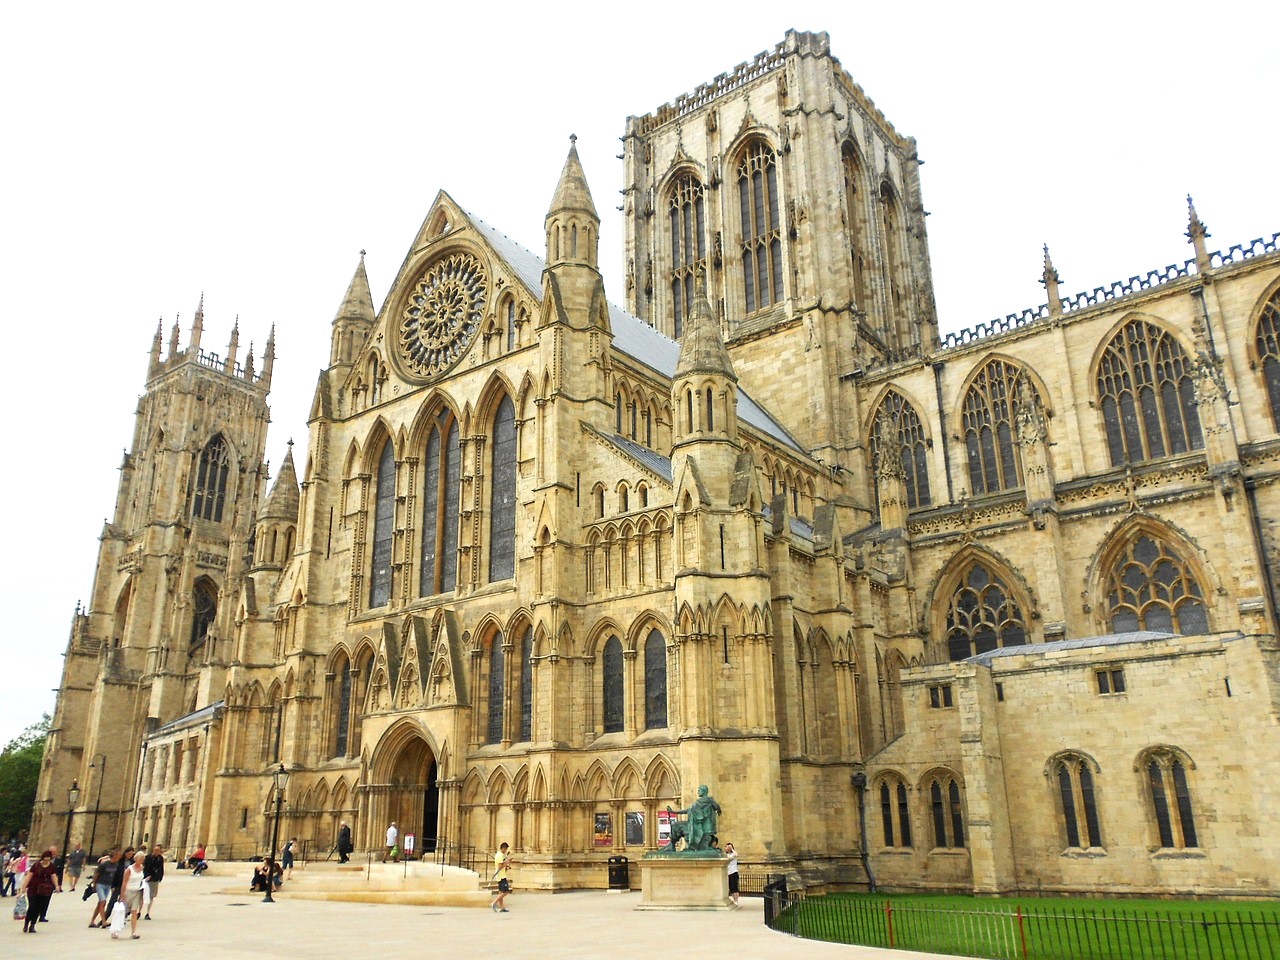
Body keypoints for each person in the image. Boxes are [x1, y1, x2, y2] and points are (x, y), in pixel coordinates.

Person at [667, 785, 722, 851]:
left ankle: (672, 845)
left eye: (699, 790)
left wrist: (673, 812)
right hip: (698, 825)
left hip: (699, 826)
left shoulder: (702, 802)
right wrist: (674, 812)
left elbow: (688, 810)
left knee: (676, 825)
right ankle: (672, 845)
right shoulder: (707, 801)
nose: (697, 792)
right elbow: (717, 807)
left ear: (704, 791)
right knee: (676, 825)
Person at [19, 849, 60, 932]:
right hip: (33, 889)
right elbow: (29, 876)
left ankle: (32, 925)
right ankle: (26, 923)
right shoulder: (36, 865)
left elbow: (53, 876)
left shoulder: (51, 866)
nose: (46, 861)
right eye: (45, 859)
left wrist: (57, 886)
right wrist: (23, 887)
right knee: (32, 906)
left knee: (38, 908)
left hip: (44, 890)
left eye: (48, 859)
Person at [117, 851, 148, 939]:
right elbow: (124, 882)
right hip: (128, 891)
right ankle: (115, 930)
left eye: (143, 859)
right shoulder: (129, 869)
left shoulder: (142, 868)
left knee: (134, 911)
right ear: (135, 859)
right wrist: (122, 895)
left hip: (137, 892)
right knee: (123, 912)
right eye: (140, 859)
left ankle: (133, 932)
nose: (141, 860)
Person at [88, 847, 121, 928]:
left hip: (108, 885)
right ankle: (103, 921)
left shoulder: (117, 865)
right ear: (114, 856)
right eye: (118, 856)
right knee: (103, 902)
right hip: (100, 884)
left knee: (100, 903)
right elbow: (96, 874)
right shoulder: (104, 864)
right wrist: (94, 884)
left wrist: (113, 886)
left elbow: (115, 876)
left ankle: (92, 921)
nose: (120, 858)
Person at [142, 844, 164, 919]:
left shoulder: (160, 858)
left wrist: (160, 877)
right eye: (155, 850)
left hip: (155, 879)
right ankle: (139, 911)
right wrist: (146, 876)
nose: (156, 852)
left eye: (157, 850)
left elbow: (161, 868)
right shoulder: (148, 857)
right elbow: (145, 868)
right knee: (142, 895)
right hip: (147, 879)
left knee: (151, 896)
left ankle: (147, 913)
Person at [490, 842, 512, 913]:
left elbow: (503, 865)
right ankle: (494, 903)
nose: (506, 851)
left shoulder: (501, 855)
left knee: (501, 892)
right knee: (505, 892)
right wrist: (507, 862)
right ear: (503, 848)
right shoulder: (499, 855)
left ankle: (502, 907)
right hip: (501, 876)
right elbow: (500, 866)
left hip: (501, 875)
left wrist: (507, 864)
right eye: (506, 849)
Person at [725, 842, 741, 908]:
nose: (728, 848)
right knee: (731, 888)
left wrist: (732, 849)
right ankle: (734, 900)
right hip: (728, 873)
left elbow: (736, 855)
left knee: (735, 888)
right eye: (727, 847)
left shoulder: (733, 854)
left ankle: (736, 900)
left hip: (734, 872)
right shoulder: (726, 855)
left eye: (729, 847)